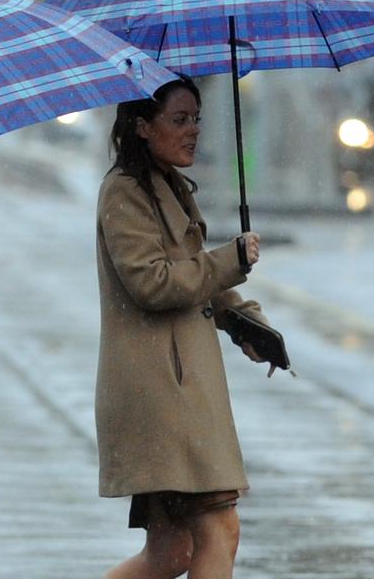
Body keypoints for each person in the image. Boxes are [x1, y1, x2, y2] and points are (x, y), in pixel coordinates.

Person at [94, 76, 272, 579]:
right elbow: (152, 283)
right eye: (179, 119)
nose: (193, 130)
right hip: (163, 393)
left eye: (196, 118)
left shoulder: (166, 184)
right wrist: (230, 259)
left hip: (176, 389)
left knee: (170, 553)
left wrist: (245, 323)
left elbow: (193, 274)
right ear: (143, 127)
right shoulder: (124, 192)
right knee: (221, 529)